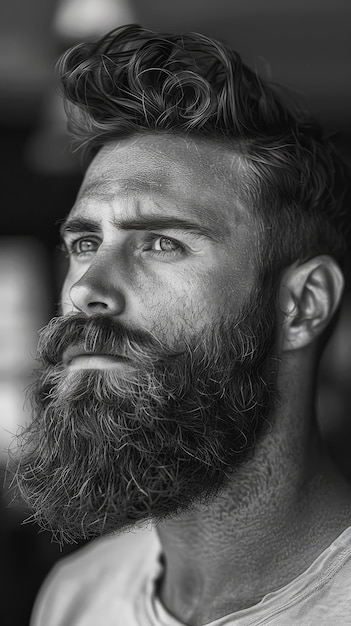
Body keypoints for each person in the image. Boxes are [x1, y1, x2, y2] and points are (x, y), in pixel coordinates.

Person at [14, 24, 351, 625]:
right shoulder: (76, 596)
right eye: (86, 241)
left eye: (162, 243)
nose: (88, 289)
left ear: (302, 305)